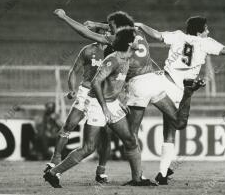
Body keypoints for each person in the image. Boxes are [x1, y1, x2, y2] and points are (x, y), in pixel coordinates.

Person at [55, 10, 204, 184]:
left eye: (111, 27)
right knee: (178, 123)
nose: (109, 31)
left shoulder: (118, 41)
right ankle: (189, 92)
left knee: (129, 136)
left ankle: (133, 174)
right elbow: (125, 27)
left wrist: (65, 17)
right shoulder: (138, 33)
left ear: (117, 28)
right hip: (155, 79)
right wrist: (99, 24)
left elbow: (84, 32)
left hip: (138, 85)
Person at [135, 16, 225, 184]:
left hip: (164, 81)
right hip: (176, 88)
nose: (208, 31)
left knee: (170, 129)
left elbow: (157, 35)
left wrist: (140, 24)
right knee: (177, 124)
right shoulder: (205, 42)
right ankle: (151, 172)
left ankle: (162, 173)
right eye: (206, 29)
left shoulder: (177, 35)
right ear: (199, 32)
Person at [43, 26, 157, 187]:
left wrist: (120, 101)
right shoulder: (113, 59)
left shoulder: (127, 58)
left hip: (112, 103)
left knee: (130, 140)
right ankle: (53, 173)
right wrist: (105, 108)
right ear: (130, 43)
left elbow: (117, 83)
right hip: (97, 103)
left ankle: (137, 179)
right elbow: (96, 82)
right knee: (89, 148)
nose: (139, 40)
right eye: (136, 38)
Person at [44, 25, 115, 183]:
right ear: (98, 35)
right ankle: (54, 161)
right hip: (85, 93)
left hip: (103, 96)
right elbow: (73, 71)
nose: (109, 34)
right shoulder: (88, 50)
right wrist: (71, 89)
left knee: (105, 137)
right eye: (106, 33)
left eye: (110, 32)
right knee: (69, 125)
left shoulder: (114, 51)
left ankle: (101, 171)